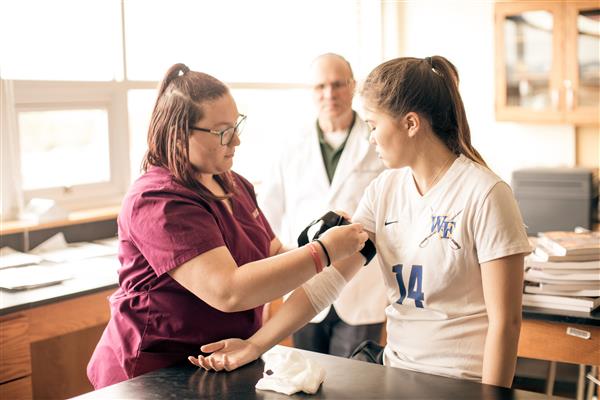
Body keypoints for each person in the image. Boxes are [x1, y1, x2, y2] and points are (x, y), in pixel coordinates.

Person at [188, 56, 532, 388]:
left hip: (462, 382)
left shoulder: (486, 194)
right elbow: (326, 282)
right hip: (397, 373)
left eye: (372, 125)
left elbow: (507, 323)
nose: (369, 138)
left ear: (411, 124)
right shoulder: (384, 190)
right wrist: (256, 345)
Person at [86, 63, 369, 389]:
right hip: (153, 371)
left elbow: (272, 252)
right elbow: (229, 291)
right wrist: (323, 253)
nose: (235, 140)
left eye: (236, 126)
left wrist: (323, 243)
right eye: (222, 132)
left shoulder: (234, 184)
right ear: (180, 134)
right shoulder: (159, 200)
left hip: (221, 363)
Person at [259, 53, 387, 357]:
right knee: (304, 378)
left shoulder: (378, 139)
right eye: (321, 87)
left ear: (353, 86)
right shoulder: (290, 145)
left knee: (354, 384)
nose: (330, 94)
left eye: (338, 84)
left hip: (361, 286)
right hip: (303, 280)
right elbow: (268, 216)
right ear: (311, 91)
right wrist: (263, 294)